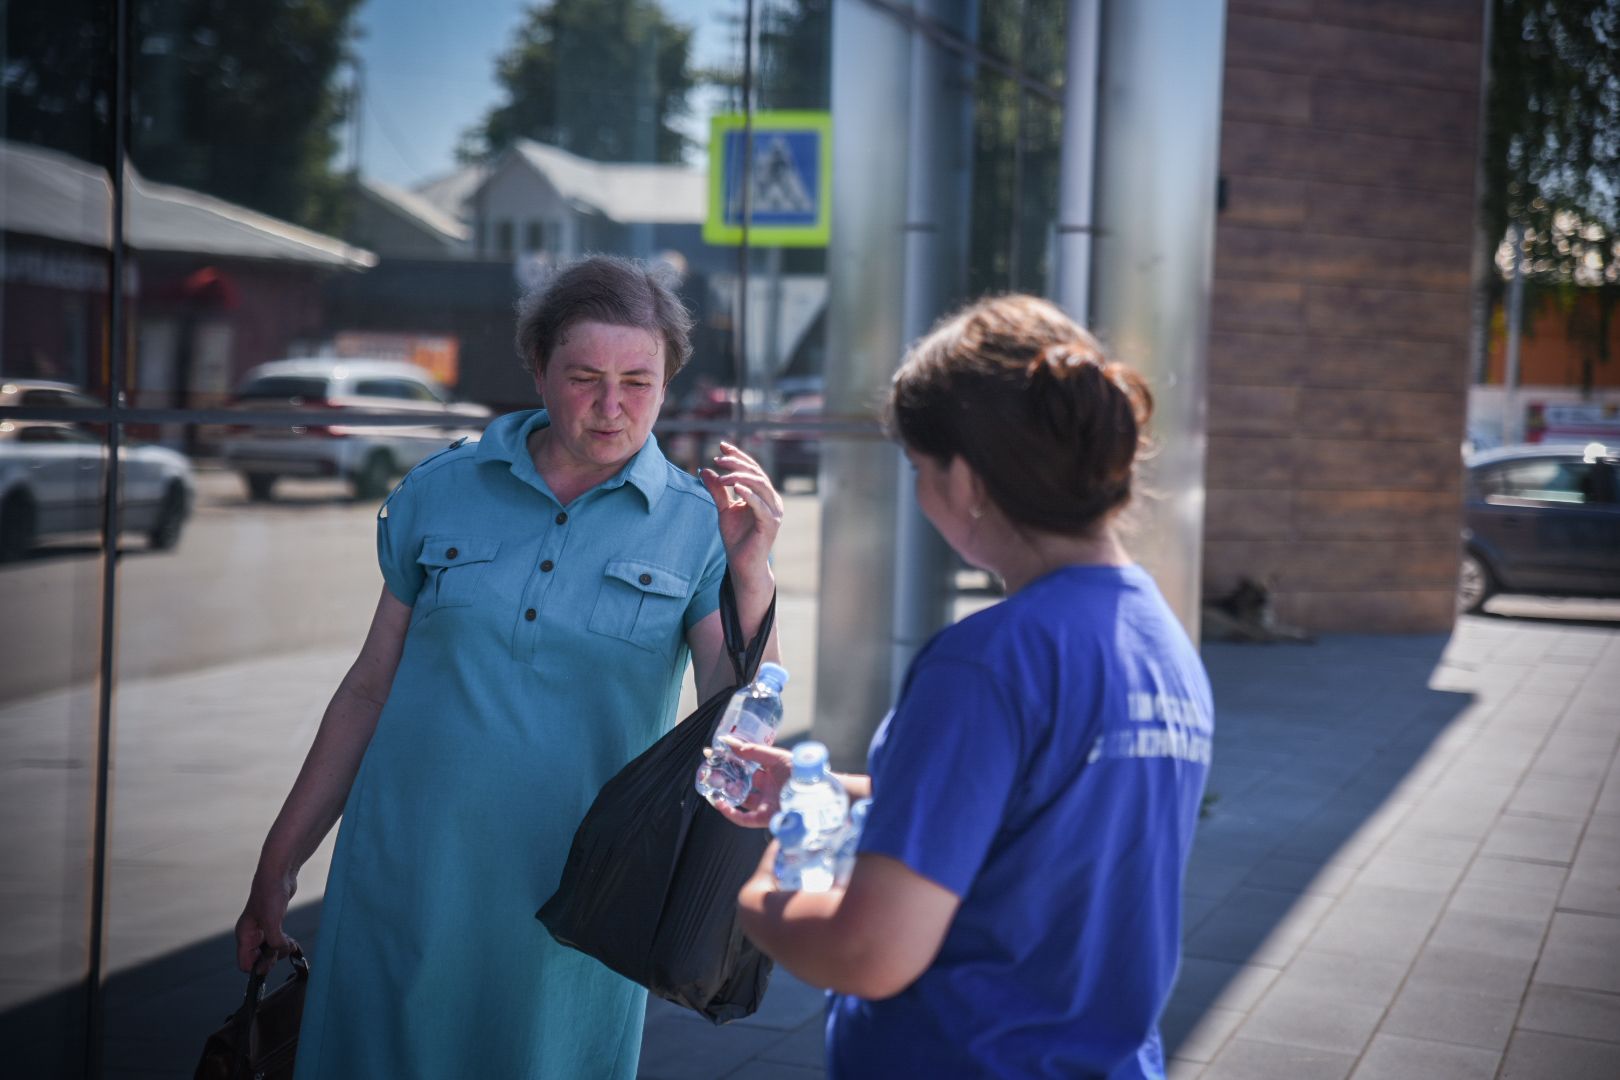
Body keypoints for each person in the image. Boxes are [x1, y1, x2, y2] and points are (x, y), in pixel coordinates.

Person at [234, 255, 784, 1078]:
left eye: (639, 381)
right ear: (537, 369)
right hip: (400, 879)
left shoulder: (698, 526)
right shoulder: (441, 489)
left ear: (669, 381)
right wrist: (279, 862)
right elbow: (367, 689)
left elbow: (744, 723)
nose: (612, 406)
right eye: (585, 377)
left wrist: (752, 573)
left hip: (568, 904)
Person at [716, 294, 1213, 1078]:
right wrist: (837, 792)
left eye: (919, 468)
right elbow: (1038, 816)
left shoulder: (987, 663)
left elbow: (870, 953)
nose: (918, 493)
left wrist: (767, 885)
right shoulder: (1161, 640)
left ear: (969, 479)